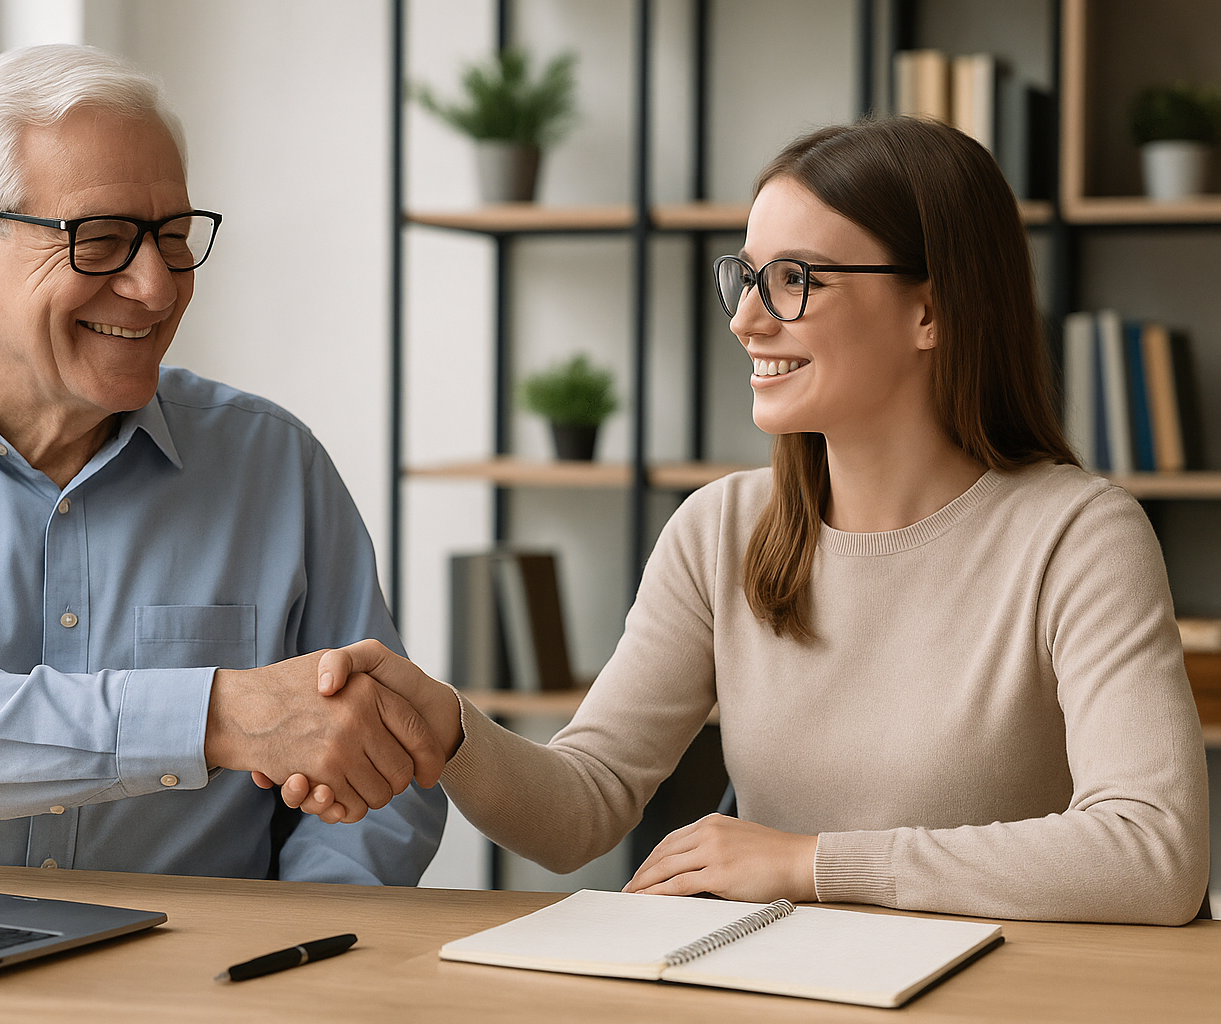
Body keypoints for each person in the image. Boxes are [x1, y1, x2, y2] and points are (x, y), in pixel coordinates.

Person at [274, 117, 1211, 923]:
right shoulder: (718, 529)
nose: (747, 323)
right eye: (747, 277)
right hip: (782, 984)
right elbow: (583, 809)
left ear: (931, 308)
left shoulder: (1079, 534)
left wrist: (807, 863)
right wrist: (452, 731)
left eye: (795, 279)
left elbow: (1155, 854)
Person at [0, 44, 445, 884]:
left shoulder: (276, 462)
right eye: (103, 240)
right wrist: (216, 715)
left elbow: (387, 769)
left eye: (174, 236)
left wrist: (301, 955)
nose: (156, 287)